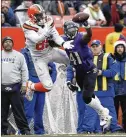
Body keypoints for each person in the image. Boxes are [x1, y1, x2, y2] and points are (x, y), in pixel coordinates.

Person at [62, 20, 112, 133]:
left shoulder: (80, 38)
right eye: (68, 30)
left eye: (73, 29)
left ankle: (103, 113)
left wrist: (88, 26)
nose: (71, 32)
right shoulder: (63, 40)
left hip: (90, 70)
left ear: (77, 30)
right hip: (79, 72)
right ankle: (104, 113)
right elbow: (53, 42)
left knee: (86, 97)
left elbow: (88, 35)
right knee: (89, 97)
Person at [23, 4, 74, 93]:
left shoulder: (48, 20)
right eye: (38, 15)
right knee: (48, 86)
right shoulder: (27, 26)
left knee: (72, 60)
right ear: (32, 17)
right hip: (39, 58)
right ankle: (30, 86)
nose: (42, 17)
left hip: (50, 51)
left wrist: (63, 43)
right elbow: (37, 40)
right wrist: (47, 32)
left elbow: (56, 36)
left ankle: (68, 74)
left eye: (42, 14)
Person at [79, 40, 123, 134]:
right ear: (90, 48)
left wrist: (101, 72)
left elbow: (113, 71)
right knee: (90, 111)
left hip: (106, 89)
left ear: (101, 47)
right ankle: (88, 129)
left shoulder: (108, 57)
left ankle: (114, 128)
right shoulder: (86, 58)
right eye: (93, 46)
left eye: (97, 46)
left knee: (110, 110)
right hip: (91, 91)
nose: (95, 48)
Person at [21, 47, 57, 134]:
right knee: (28, 111)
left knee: (39, 111)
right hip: (30, 85)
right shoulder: (25, 52)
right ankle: (23, 131)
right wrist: (25, 84)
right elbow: (21, 68)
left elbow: (53, 68)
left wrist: (50, 81)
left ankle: (39, 132)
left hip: (41, 85)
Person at [1, 36, 30, 135]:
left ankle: (25, 130)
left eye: (9, 42)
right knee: (2, 112)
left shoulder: (19, 56)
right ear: (2, 44)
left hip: (16, 87)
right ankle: (2, 131)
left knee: (19, 111)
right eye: (5, 42)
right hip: (1, 88)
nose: (8, 44)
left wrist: (24, 84)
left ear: (12, 44)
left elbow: (24, 70)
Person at [113, 40, 126, 132]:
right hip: (114, 89)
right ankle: (114, 128)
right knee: (114, 110)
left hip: (125, 89)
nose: (120, 49)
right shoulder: (111, 59)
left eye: (121, 47)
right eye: (118, 47)